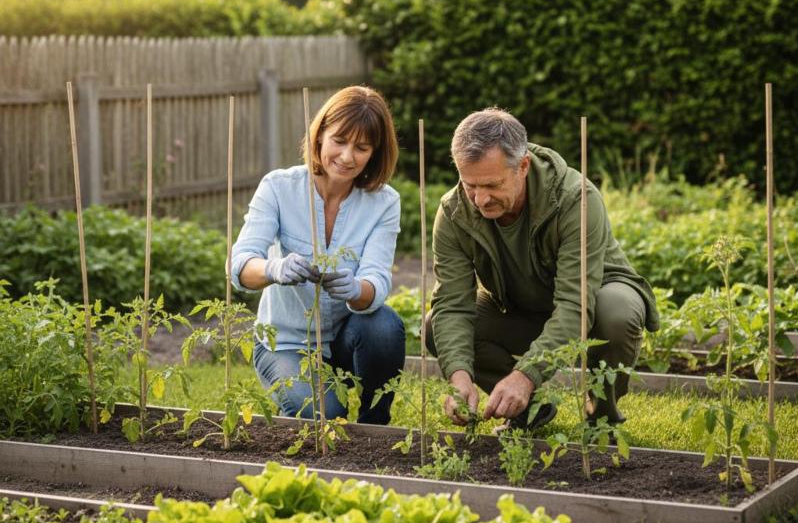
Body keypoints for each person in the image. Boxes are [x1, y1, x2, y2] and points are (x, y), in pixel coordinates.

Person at [426, 108, 659, 430]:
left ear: (522, 166)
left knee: (616, 311)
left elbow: (576, 303)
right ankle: (530, 410)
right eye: (470, 186)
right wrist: (459, 377)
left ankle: (601, 413)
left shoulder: (574, 198)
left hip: (593, 301)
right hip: (524, 309)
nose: (480, 199)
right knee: (435, 325)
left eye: (492, 185)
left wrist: (526, 376)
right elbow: (452, 305)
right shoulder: (454, 213)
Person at [230, 85, 405, 425]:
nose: (347, 156)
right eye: (339, 140)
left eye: (362, 147)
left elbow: (377, 280)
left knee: (384, 326)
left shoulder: (384, 203)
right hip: (286, 343)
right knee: (326, 416)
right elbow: (239, 266)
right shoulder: (279, 187)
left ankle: (375, 425)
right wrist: (273, 268)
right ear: (320, 135)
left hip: (344, 339)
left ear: (375, 153)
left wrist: (357, 290)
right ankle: (299, 404)